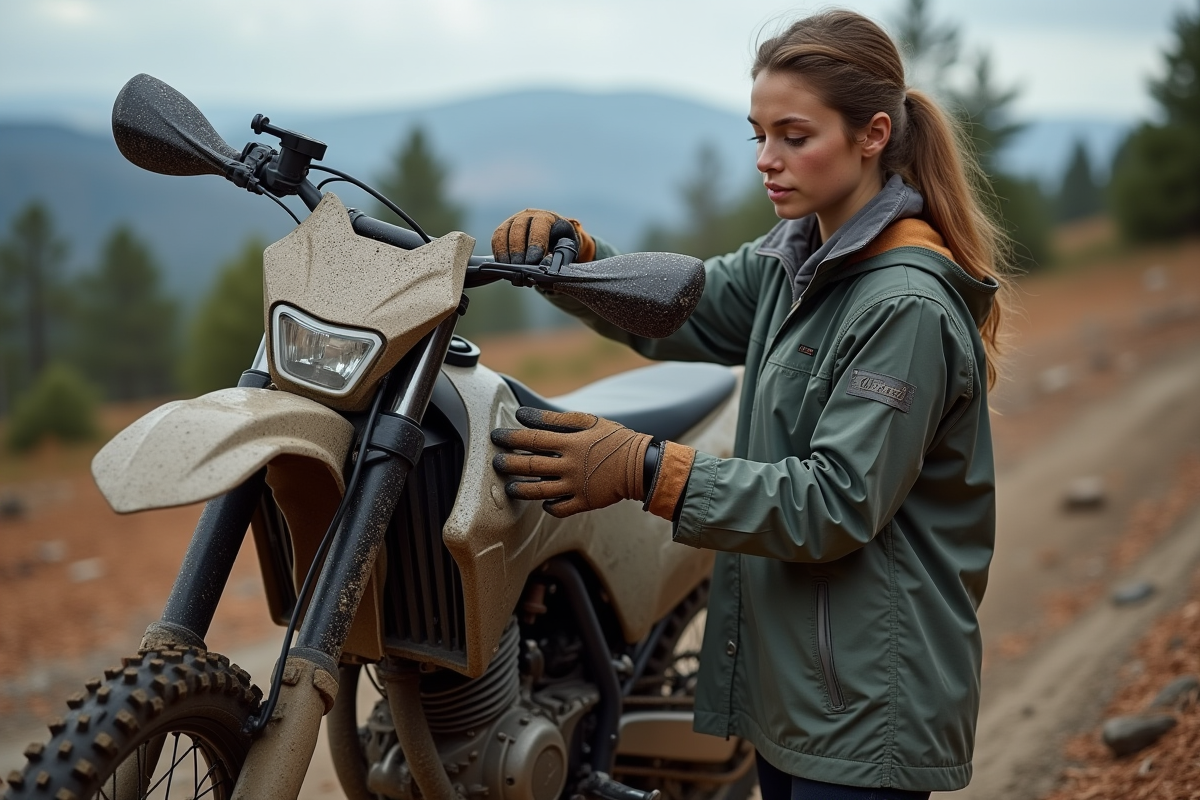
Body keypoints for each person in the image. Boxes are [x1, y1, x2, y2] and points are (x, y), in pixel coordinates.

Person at [488, 9, 1009, 799]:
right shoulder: (793, 260)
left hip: (867, 701)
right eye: (757, 135)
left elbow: (832, 503)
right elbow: (682, 311)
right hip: (801, 688)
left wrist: (643, 468)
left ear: (872, 135)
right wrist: (577, 263)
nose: (768, 160)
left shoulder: (904, 306)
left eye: (795, 136)